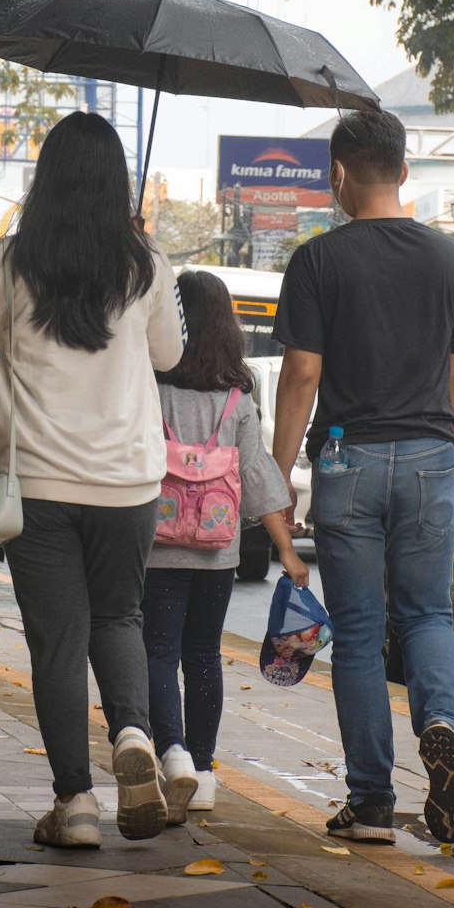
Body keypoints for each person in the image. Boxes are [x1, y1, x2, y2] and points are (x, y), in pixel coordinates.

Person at [0, 112, 186, 850]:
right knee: (120, 619)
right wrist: (148, 256)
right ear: (115, 182)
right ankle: (132, 731)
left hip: (35, 484)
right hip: (128, 484)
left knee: (58, 645)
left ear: (48, 177)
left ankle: (75, 805)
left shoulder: (12, 258)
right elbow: (169, 357)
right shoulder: (144, 264)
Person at [271, 109, 454, 847]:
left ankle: (370, 804)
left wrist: (278, 471)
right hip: (429, 456)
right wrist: (435, 442)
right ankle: (445, 725)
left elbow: (301, 373)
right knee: (428, 616)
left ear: (337, 174)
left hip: (346, 457)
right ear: (404, 169)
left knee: (358, 634)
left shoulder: (319, 261)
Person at [143, 270, 309, 824]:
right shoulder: (239, 396)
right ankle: (207, 772)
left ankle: (174, 756)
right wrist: (286, 549)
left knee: (158, 651)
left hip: (156, 547)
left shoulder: (150, 384)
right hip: (218, 550)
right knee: (204, 655)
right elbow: (258, 476)